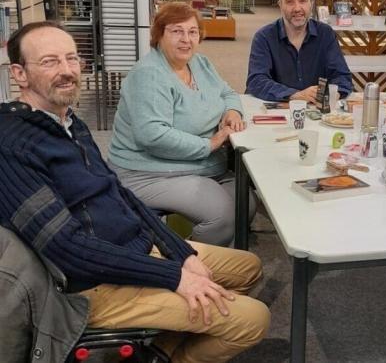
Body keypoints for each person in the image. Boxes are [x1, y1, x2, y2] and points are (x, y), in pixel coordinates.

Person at [0, 21, 270, 363]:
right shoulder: (12, 144)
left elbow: (121, 195)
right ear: (19, 74)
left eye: (72, 59)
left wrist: (179, 252)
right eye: (50, 62)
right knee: (253, 320)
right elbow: (67, 249)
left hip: (134, 250)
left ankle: (158, 351)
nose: (67, 71)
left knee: (249, 268)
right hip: (92, 285)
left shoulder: (69, 123)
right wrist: (174, 276)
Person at [109, 2, 250, 246]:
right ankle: (186, 269)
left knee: (246, 201)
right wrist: (210, 143)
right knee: (223, 214)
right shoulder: (149, 75)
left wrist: (232, 111)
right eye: (176, 31)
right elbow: (152, 135)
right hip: (149, 173)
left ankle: (213, 259)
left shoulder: (200, 63)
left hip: (196, 165)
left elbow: (227, 92)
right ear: (159, 35)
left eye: (192, 32)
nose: (186, 39)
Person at [246, 0, 353, 102]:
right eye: (290, 2)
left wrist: (333, 93)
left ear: (311, 3)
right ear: (280, 5)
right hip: (279, 110)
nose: (297, 8)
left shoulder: (326, 34)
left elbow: (342, 76)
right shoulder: (263, 37)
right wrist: (295, 95)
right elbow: (256, 81)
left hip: (318, 110)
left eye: (302, 1)